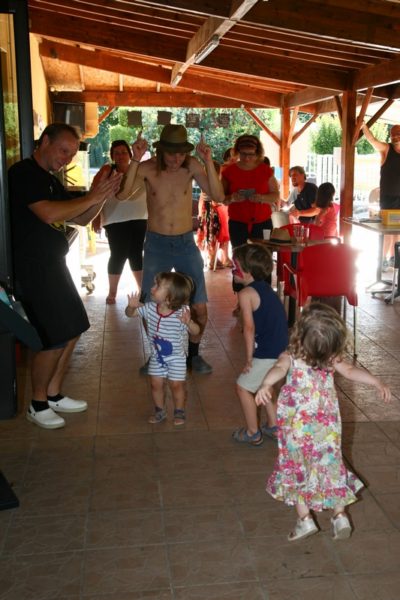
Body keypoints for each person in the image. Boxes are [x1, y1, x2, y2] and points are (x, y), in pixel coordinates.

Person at [8, 122, 121, 429]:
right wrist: (91, 196)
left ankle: (54, 394)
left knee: (73, 328)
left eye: (71, 154)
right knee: (52, 337)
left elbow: (80, 219)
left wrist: (100, 197)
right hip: (33, 270)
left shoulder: (49, 179)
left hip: (52, 267)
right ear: (44, 141)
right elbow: (48, 214)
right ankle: (38, 403)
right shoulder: (23, 174)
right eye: (63, 150)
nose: (67, 158)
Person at [255, 302, 391, 542]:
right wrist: (376, 382)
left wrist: (266, 384)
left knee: (296, 469)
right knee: (330, 465)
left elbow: (278, 368)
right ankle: (340, 515)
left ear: (298, 334)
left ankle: (305, 520)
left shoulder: (291, 357)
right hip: (326, 428)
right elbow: (350, 371)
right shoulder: (331, 360)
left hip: (296, 429)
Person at [116, 124, 225, 374]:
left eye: (181, 153)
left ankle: (194, 355)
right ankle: (158, 354)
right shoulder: (147, 168)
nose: (177, 159)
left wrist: (208, 160)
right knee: (149, 303)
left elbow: (218, 195)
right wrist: (134, 158)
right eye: (171, 153)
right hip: (156, 243)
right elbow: (122, 195)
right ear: (161, 150)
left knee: (199, 305)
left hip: (186, 243)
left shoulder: (192, 165)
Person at [231, 243, 288, 446]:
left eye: (235, 265)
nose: (232, 269)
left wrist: (248, 360)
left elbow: (248, 329)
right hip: (281, 350)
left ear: (246, 271)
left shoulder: (245, 294)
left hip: (267, 352)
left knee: (243, 388)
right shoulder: (266, 290)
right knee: (267, 385)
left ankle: (253, 432)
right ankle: (273, 426)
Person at [125, 271, 200, 425]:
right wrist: (131, 307)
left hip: (177, 358)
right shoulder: (150, 308)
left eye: (157, 286)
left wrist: (189, 323)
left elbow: (196, 331)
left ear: (169, 297)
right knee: (155, 384)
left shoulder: (181, 314)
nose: (152, 288)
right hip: (157, 356)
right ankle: (160, 411)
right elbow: (129, 315)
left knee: (176, 385)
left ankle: (179, 411)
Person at [221, 134, 280, 311]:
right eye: (244, 153)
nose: (247, 158)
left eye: (251, 154)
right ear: (237, 151)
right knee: (239, 259)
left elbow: (276, 195)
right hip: (238, 221)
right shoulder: (229, 171)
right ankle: (241, 302)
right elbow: (222, 198)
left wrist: (261, 197)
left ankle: (264, 299)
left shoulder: (265, 170)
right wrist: (232, 197)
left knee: (263, 259)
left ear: (258, 153)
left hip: (262, 221)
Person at [92, 139, 147, 304]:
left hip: (139, 217)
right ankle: (112, 292)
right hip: (114, 219)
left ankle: (142, 290)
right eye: (117, 153)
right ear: (112, 156)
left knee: (136, 254)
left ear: (130, 154)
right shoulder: (107, 170)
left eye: (124, 152)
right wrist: (95, 217)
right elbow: (95, 193)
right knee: (118, 254)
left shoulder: (139, 170)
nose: (121, 156)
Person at [361, 122, 400, 265]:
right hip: (388, 198)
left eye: (398, 133)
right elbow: (373, 140)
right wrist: (364, 126)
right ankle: (383, 259)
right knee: (387, 230)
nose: (395, 136)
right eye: (393, 134)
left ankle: (393, 258)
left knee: (398, 231)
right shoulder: (387, 149)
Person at [196, 161, 231, 269]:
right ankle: (214, 260)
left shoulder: (204, 181)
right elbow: (218, 198)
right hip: (215, 212)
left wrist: (200, 213)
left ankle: (216, 259)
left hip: (207, 212)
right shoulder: (216, 182)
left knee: (212, 236)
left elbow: (201, 198)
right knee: (217, 235)